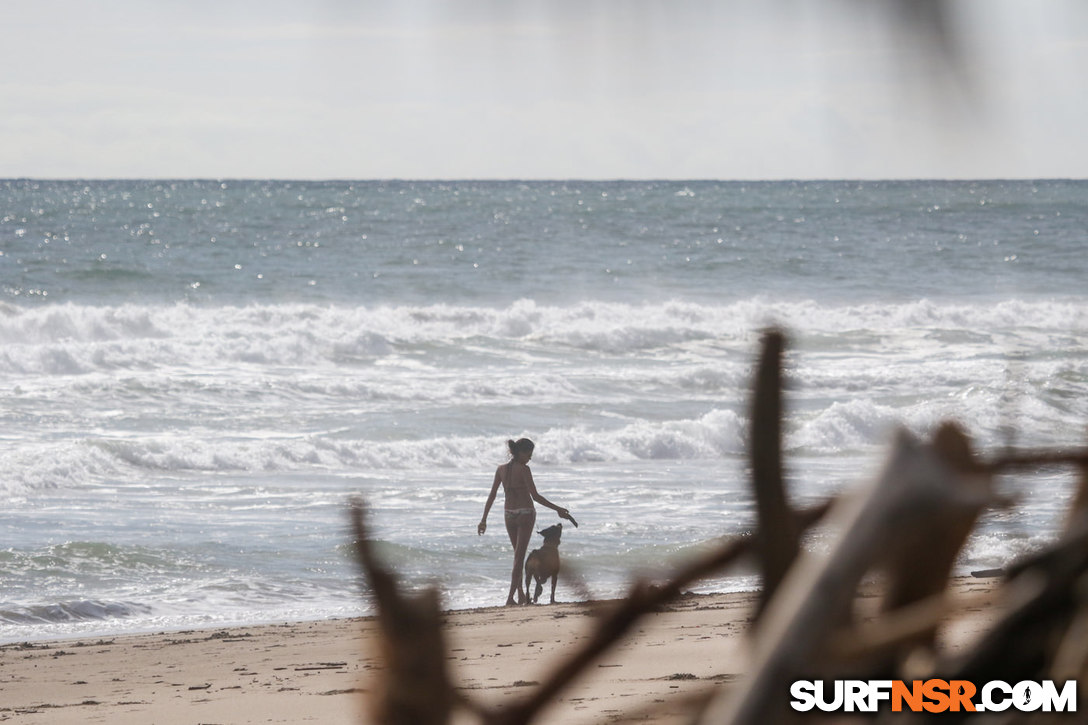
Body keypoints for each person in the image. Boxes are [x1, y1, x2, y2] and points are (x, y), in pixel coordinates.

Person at [478, 438, 575, 606]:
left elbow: (492, 495)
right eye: (528, 455)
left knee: (518, 556)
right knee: (518, 557)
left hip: (508, 515)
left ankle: (521, 595)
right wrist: (558, 509)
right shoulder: (524, 470)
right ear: (520, 452)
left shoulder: (500, 469)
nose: (530, 458)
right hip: (525, 514)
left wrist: (483, 519)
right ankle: (510, 598)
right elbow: (535, 496)